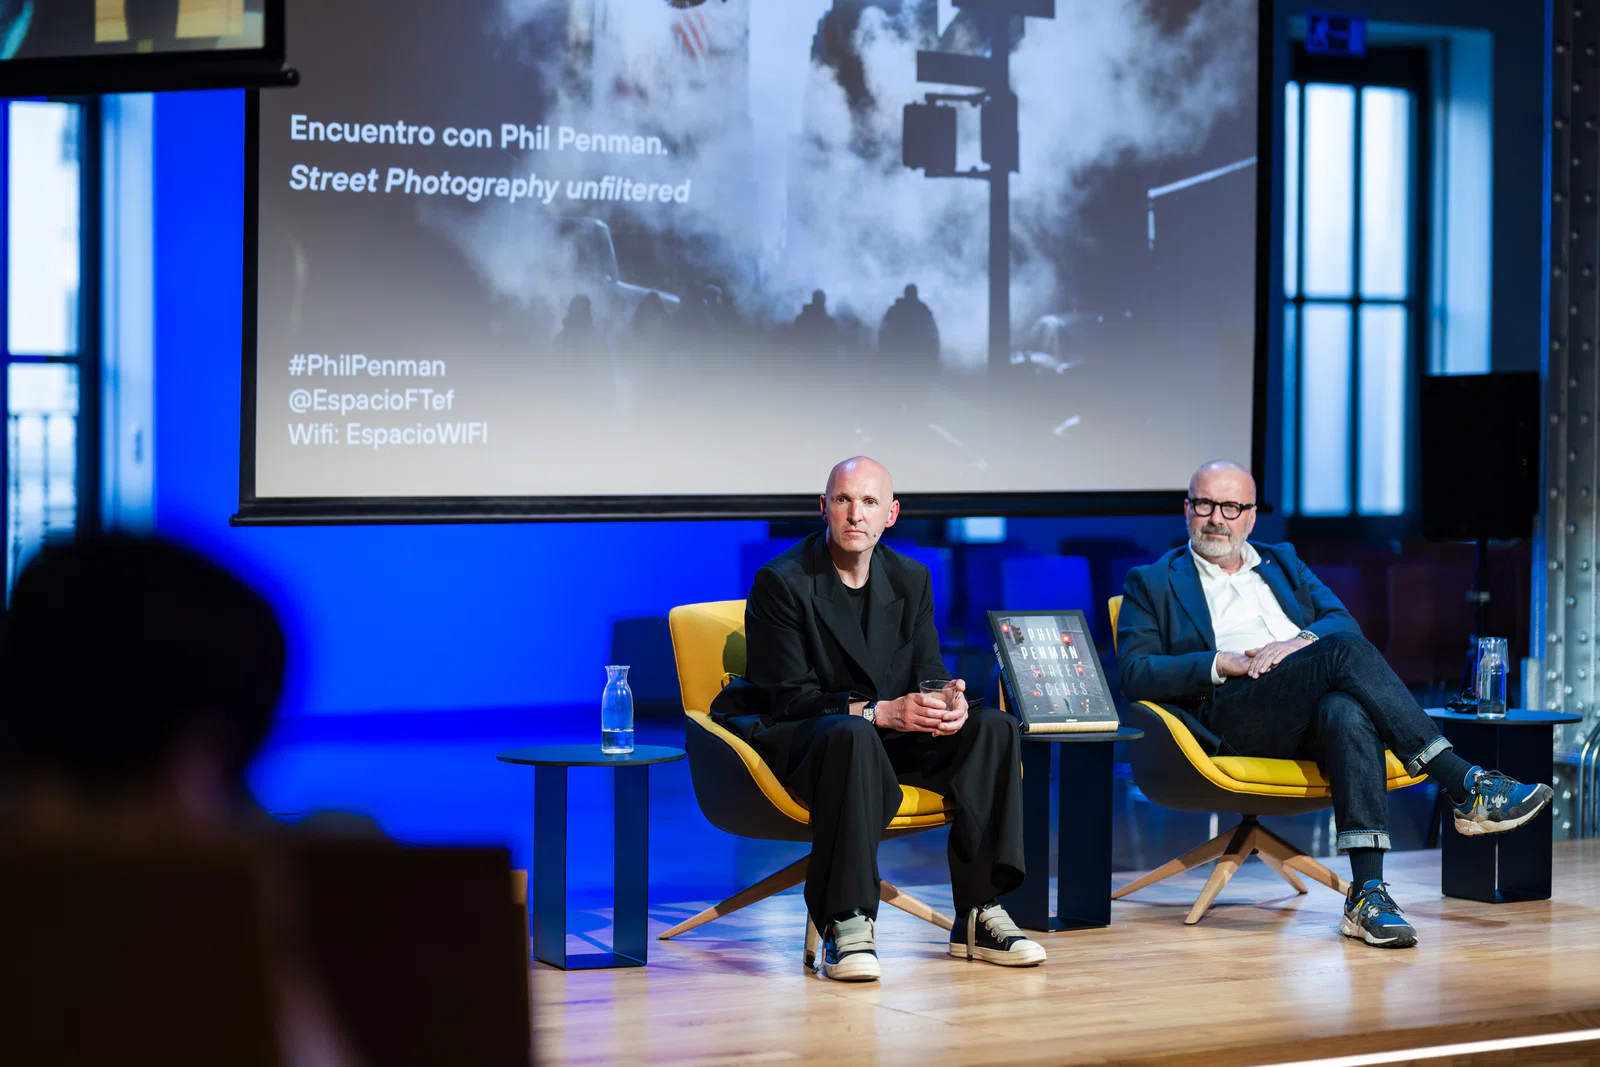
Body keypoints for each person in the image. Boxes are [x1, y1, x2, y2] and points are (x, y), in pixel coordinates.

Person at [1116, 460, 1555, 949]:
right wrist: (1224, 662)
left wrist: (1297, 642)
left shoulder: (1281, 562)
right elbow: (1136, 673)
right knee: (1345, 653)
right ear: (1187, 510)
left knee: (1346, 711)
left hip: (1303, 708)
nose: (1217, 517)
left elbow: (1340, 621)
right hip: (1231, 711)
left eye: (1232, 506)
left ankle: (1366, 895)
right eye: (1205, 504)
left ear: (1251, 517)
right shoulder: (1152, 580)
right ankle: (1463, 782)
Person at [733, 456, 1042, 981]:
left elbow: (927, 670)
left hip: (886, 737)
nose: (856, 514)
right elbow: (788, 698)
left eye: (869, 502)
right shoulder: (781, 581)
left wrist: (947, 701)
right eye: (844, 500)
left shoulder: (911, 577)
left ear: (890, 515)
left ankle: (979, 912)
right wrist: (881, 712)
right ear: (824, 508)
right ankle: (846, 920)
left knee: (993, 727)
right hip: (812, 741)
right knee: (853, 735)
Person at [877, 283, 940, 366]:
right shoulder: (922, 310)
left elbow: (884, 330)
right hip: (910, 352)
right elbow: (933, 332)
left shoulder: (897, 309)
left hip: (902, 352)